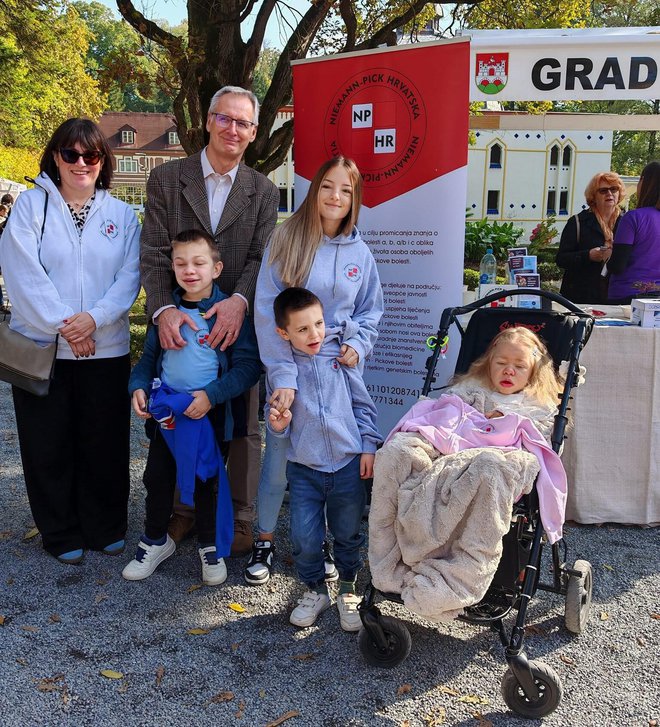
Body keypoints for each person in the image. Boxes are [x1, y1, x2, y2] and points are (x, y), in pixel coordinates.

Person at [140, 85, 279, 556]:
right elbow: (155, 252)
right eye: (225, 118)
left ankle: (239, 517)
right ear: (208, 120)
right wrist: (163, 310)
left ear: (255, 132)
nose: (232, 129)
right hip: (181, 319)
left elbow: (263, 256)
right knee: (179, 411)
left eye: (243, 123)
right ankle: (182, 513)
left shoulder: (263, 190)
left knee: (241, 421)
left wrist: (239, 300)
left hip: (238, 322)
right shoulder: (167, 179)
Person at [0, 118, 140, 564]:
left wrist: (94, 320)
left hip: (106, 347)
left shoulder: (121, 215)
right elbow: (22, 273)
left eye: (91, 155)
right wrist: (67, 324)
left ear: (104, 161)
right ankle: (59, 530)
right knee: (48, 444)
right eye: (71, 154)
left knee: (104, 441)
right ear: (55, 158)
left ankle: (104, 525)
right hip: (43, 349)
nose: (81, 163)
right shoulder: (29, 208)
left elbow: (129, 277)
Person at [245, 156, 384, 586]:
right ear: (315, 189)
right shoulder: (287, 239)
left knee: (334, 457)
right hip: (292, 365)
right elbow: (268, 312)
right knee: (281, 458)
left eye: (345, 189)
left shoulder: (360, 251)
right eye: (327, 186)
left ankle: (325, 544)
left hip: (338, 371)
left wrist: (357, 345)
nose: (336, 197)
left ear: (354, 197)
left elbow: (370, 310)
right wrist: (283, 376)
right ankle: (264, 539)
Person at [122, 230, 261, 584]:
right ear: (172, 267)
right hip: (168, 415)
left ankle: (210, 547)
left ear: (216, 268)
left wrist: (211, 396)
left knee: (207, 481)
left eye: (199, 263)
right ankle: (154, 541)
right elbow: (147, 362)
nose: (190, 270)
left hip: (208, 414)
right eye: (181, 263)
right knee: (157, 477)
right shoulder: (165, 314)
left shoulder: (227, 314)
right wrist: (137, 387)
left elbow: (248, 367)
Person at [267, 287, 382, 630]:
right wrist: (278, 425)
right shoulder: (283, 371)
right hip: (304, 469)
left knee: (348, 532)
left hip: (347, 465)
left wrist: (368, 446)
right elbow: (275, 419)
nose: (314, 334)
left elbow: (363, 406)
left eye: (318, 324)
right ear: (283, 334)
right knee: (304, 537)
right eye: (302, 329)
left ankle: (348, 587)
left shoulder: (339, 356)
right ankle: (315, 588)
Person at [445, 326, 564, 441]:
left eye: (519, 366)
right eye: (501, 363)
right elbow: (449, 403)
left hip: (508, 453)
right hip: (465, 442)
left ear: (534, 372)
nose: (508, 371)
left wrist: (506, 417)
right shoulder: (474, 387)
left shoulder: (540, 401)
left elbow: (544, 429)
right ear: (489, 364)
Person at [556, 171, 626, 304]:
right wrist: (588, 255)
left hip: (616, 296)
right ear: (594, 196)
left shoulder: (628, 222)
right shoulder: (578, 222)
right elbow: (561, 259)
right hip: (581, 296)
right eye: (603, 190)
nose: (609, 194)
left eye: (614, 189)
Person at [608, 161, 660, 304]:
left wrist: (609, 255)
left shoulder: (633, 218)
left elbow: (617, 265)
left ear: (644, 182)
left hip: (628, 294)